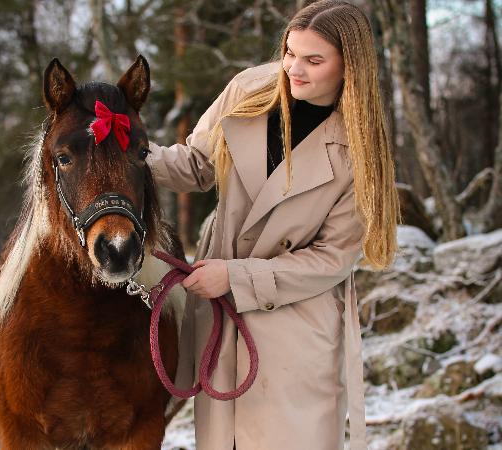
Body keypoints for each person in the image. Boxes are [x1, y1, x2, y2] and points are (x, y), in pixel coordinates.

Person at [145, 1, 400, 449]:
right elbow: (197, 165)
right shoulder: (249, 89)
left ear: (349, 66)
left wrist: (235, 277)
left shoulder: (360, 149)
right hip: (220, 319)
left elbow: (332, 258)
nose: (293, 70)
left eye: (313, 60)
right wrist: (126, 150)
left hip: (294, 325)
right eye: (289, 52)